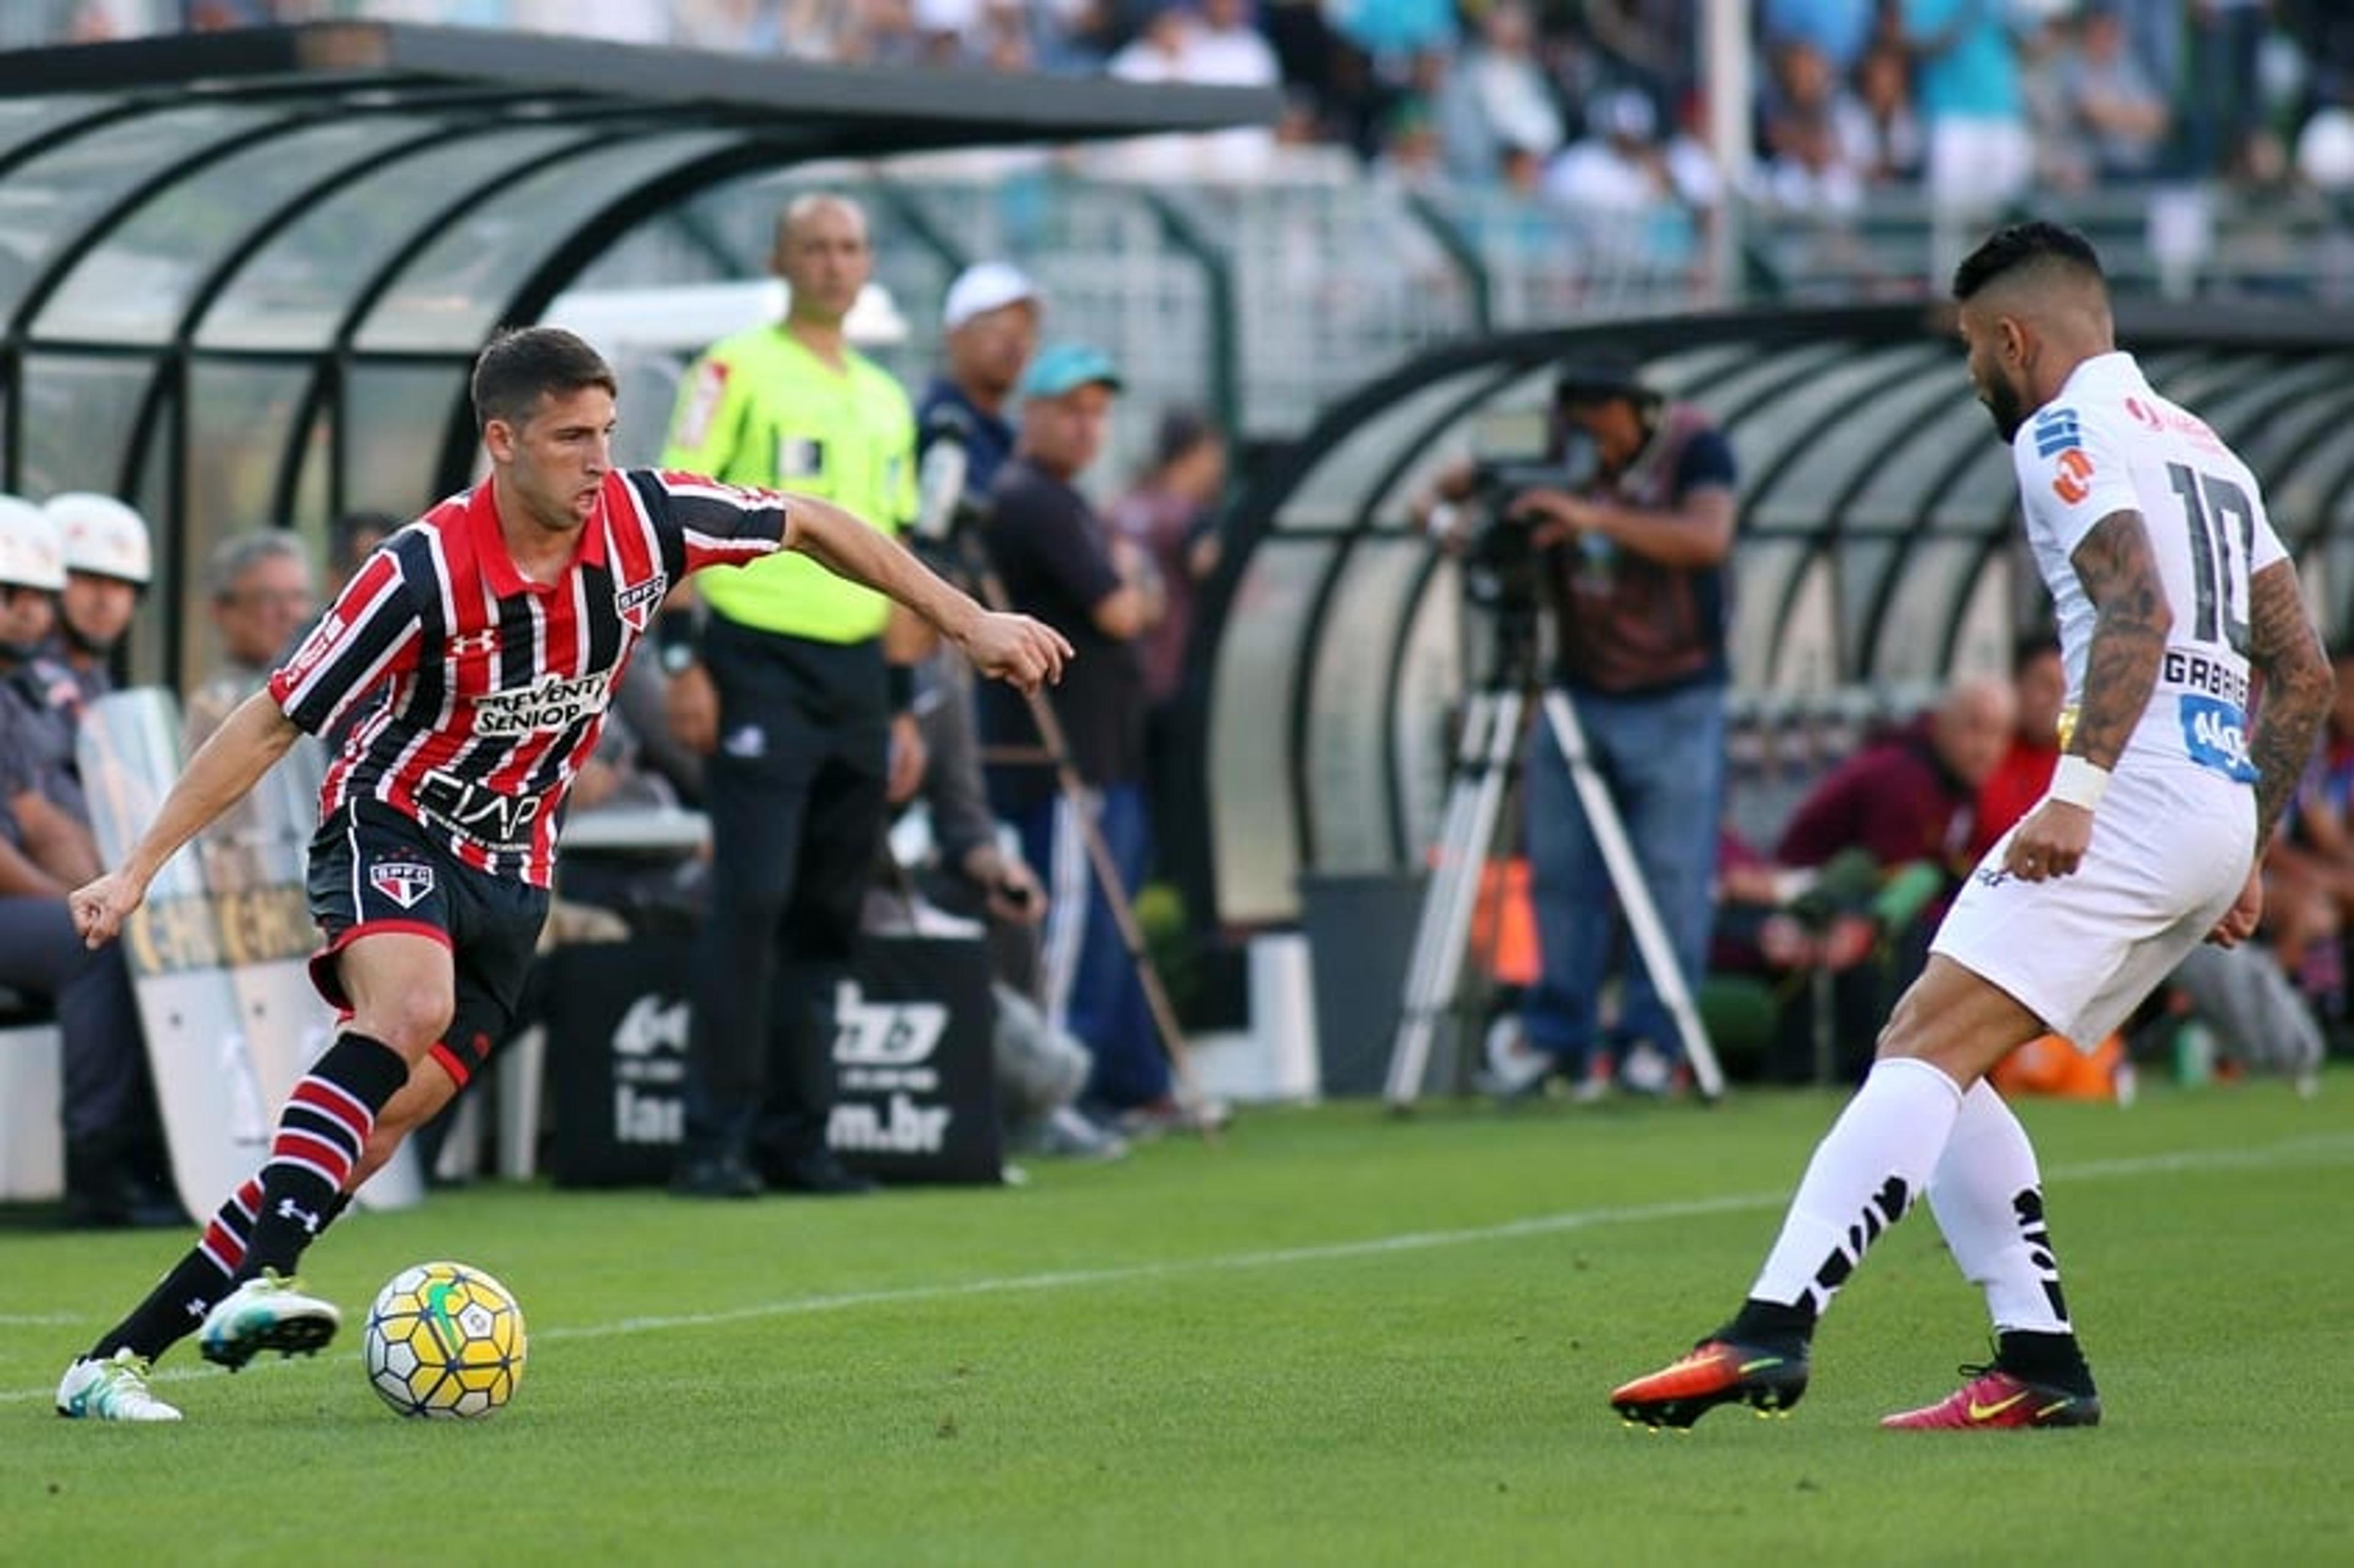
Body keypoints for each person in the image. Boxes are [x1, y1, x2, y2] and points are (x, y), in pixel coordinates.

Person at [51, 325, 1068, 1421]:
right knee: (411, 1007)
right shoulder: (419, 572)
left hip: (516, 868)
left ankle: (115, 1359)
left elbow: (811, 521)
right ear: (502, 441)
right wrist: (137, 868)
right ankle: (268, 1276)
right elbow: (269, 721)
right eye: (571, 436)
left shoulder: (645, 520)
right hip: (393, 823)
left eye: (607, 433)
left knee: (380, 1125)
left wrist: (967, 621)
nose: (598, 458)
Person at [1610, 221, 2333, 1432]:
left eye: (1969, 350)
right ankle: (2038, 1359)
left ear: (2014, 337)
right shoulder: (2215, 455)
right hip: (2208, 800)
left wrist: (2079, 787)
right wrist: (2245, 846)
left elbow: (2136, 607)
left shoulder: (2063, 429)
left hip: (2136, 793)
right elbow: (2303, 676)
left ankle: (1772, 1328)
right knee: (1938, 1042)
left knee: (1923, 1040)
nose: (1970, 377)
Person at [657, 192, 931, 1200]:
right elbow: (673, 514)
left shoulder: (887, 396)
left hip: (856, 673)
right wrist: (685, 660)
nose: (832, 262)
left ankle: (799, 1136)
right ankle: (712, 1138)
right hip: (756, 655)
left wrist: (902, 701)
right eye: (814, 245)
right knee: (752, 895)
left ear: (867, 264)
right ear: (782, 260)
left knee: (829, 907)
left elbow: (901, 558)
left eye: (850, 246)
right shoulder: (734, 367)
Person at [1459, 355, 1739, 1098]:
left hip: (1678, 693)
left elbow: (1707, 539)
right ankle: (1557, 1035)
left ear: (1636, 407)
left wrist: (1592, 516)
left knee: (1671, 875)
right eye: (1576, 422)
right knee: (1559, 870)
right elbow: (1465, 483)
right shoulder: (1557, 449)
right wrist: (1463, 504)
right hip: (1576, 692)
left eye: (1601, 423)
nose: (1592, 442)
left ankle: (1654, 1039)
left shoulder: (1694, 446)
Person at [977, 343, 1187, 1134]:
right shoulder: (1034, 498)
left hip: (1101, 751)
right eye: (1071, 409)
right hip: (1056, 756)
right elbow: (1122, 610)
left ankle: (1111, 1087)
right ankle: (1048, 1097)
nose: (1087, 426)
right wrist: (1134, 579)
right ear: (1031, 413)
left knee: (1102, 932)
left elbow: (1140, 599)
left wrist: (1136, 580)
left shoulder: (1071, 499)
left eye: (1098, 412)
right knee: (1066, 935)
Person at [0, 495, 175, 1230]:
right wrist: (86, 902)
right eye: (10, 594)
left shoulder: (29, 693)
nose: (28, 611)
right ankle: (102, 1166)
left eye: (39, 594)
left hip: (20, 905)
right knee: (96, 949)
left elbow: (51, 816)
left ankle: (169, 1155)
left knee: (135, 937)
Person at [1766, 678, 2015, 1083]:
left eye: (1998, 734)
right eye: (1974, 727)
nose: (1985, 747)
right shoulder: (1903, 778)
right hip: (1810, 905)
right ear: (1941, 724)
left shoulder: (1953, 783)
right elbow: (1892, 873)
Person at [915, 260, 1042, 516]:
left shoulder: (1008, 435)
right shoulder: (939, 428)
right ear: (955, 335)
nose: (1016, 346)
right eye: (1000, 330)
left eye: (1025, 332)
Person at [185, 531, 318, 754]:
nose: (289, 612)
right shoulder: (213, 708)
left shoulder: (317, 694)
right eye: (268, 598)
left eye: (298, 597)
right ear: (222, 611)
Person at [42, 492, 151, 706]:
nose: (105, 601)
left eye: (120, 585)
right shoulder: (16, 683)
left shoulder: (95, 677)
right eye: (89, 580)